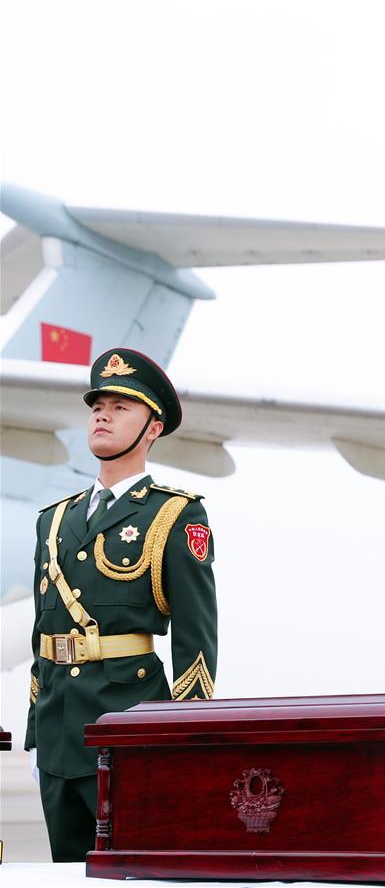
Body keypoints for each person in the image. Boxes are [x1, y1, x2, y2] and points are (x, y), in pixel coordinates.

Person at [24, 348, 218, 862]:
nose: (103, 415)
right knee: (66, 869)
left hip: (129, 724)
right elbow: (42, 631)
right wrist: (34, 730)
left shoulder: (175, 515)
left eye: (121, 407)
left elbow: (197, 636)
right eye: (97, 406)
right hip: (56, 729)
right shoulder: (54, 520)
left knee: (133, 867)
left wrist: (187, 735)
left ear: (152, 428)